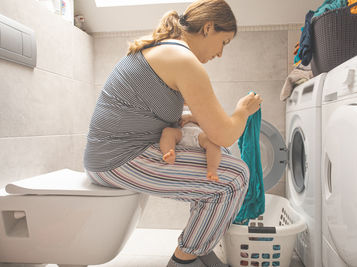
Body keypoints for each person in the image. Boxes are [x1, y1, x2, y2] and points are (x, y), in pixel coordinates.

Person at [83, 0, 263, 266]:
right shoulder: (182, 59)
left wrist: (189, 118)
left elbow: (148, 113)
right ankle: (183, 260)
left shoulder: (165, 50)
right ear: (208, 28)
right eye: (223, 42)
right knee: (234, 177)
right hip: (117, 161)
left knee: (218, 155)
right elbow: (226, 134)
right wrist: (242, 111)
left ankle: (200, 246)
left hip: (110, 155)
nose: (220, 53)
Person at [161, 105, 221, 182]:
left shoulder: (199, 107)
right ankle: (168, 153)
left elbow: (209, 121)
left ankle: (212, 169)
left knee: (213, 142)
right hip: (181, 133)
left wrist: (190, 117)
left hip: (198, 134)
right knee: (167, 132)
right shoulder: (176, 107)